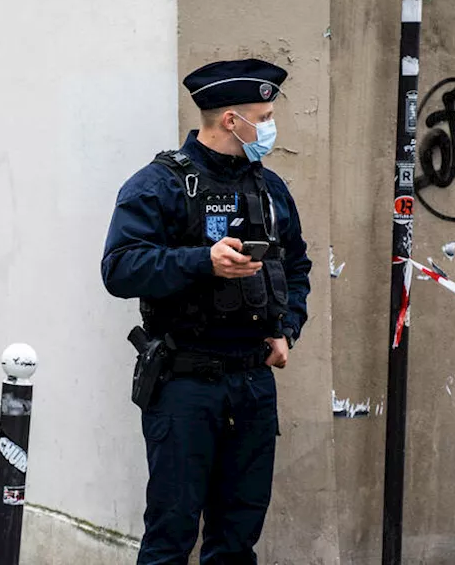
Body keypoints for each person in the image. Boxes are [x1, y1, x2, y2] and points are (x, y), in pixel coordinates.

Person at [100, 58, 313, 564]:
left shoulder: (269, 188)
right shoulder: (159, 184)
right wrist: (203, 260)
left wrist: (287, 328)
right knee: (171, 532)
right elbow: (119, 269)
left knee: (237, 536)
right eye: (262, 117)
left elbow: (297, 264)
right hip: (185, 382)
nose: (269, 127)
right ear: (229, 120)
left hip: (253, 383)